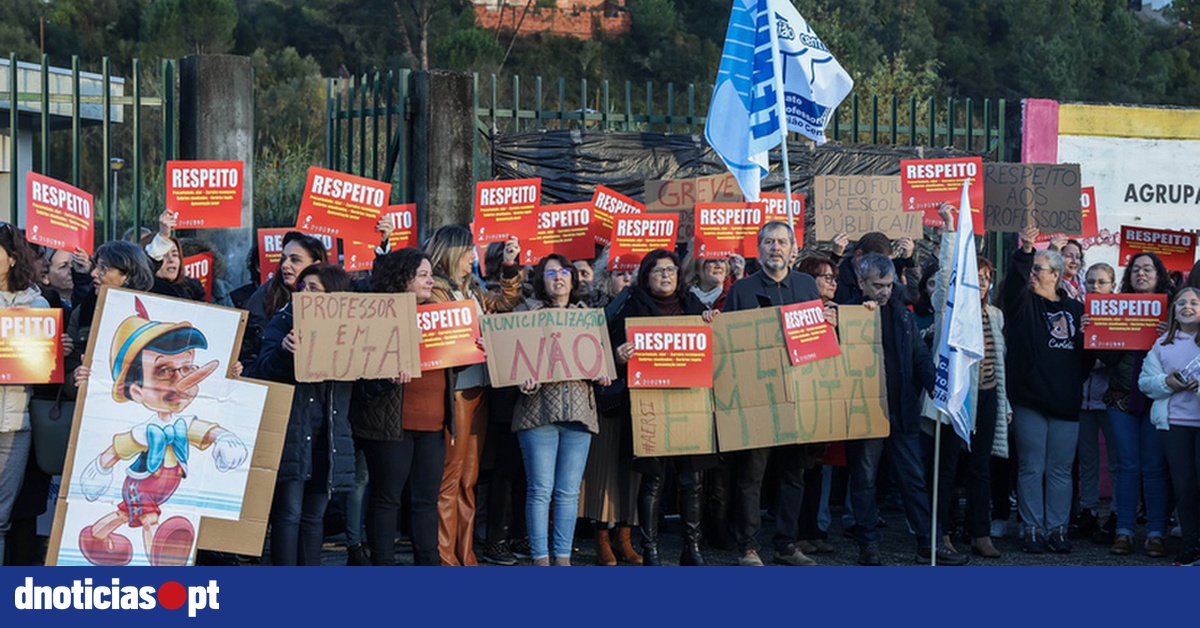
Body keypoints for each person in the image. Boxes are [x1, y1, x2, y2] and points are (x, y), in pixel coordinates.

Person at [842, 252, 962, 565]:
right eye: (877, 285)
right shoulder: (849, 313)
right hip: (865, 411)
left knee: (913, 479)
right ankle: (868, 543)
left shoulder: (902, 314)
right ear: (861, 283)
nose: (884, 291)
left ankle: (929, 544)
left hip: (901, 407)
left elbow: (919, 358)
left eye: (888, 284)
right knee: (865, 479)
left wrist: (938, 387)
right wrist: (853, 314)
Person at [721, 221, 822, 567]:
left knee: (794, 473)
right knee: (752, 475)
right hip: (756, 396)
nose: (774, 248)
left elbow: (820, 335)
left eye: (781, 242)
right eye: (768, 242)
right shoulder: (742, 291)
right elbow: (727, 347)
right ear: (758, 248)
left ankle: (786, 543)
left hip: (798, 393)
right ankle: (747, 546)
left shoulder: (808, 286)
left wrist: (843, 319)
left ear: (793, 249)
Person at [424, 225, 523, 566]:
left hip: (479, 389)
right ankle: (444, 556)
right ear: (452, 253)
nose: (473, 257)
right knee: (450, 478)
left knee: (470, 477)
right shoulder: (434, 292)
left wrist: (510, 266)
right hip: (456, 392)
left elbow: (505, 302)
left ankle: (466, 554)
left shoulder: (473, 289)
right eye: (468, 251)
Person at [609, 249, 714, 566]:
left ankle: (691, 548)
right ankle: (651, 548)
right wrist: (619, 354)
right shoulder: (630, 307)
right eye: (658, 271)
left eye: (671, 270)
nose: (666, 276)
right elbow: (608, 350)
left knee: (691, 481)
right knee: (653, 480)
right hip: (649, 405)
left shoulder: (694, 306)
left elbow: (713, 348)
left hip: (689, 402)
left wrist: (711, 323)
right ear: (645, 276)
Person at [351, 248, 452, 566]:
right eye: (423, 274)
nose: (431, 280)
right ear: (403, 278)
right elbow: (360, 376)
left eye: (430, 273)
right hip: (391, 425)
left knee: (425, 501)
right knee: (387, 498)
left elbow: (447, 364)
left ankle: (428, 564)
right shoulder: (376, 315)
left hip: (434, 426)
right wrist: (388, 375)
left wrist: (468, 351)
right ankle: (384, 566)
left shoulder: (438, 313)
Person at [253, 263, 357, 566]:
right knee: (288, 513)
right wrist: (284, 353)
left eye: (314, 289)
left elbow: (363, 383)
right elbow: (262, 370)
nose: (305, 294)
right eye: (303, 288)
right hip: (293, 435)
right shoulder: (283, 322)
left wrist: (389, 377)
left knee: (314, 517)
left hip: (329, 437)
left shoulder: (349, 329)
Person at [512, 254, 610, 566]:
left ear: (573, 278)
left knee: (568, 493)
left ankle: (563, 559)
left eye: (564, 271)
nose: (559, 277)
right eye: (551, 272)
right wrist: (520, 381)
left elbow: (600, 363)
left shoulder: (590, 316)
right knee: (541, 490)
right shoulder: (524, 314)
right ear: (541, 279)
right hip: (537, 413)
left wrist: (604, 371)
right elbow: (511, 360)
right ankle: (541, 559)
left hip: (579, 412)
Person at [928, 205, 1012, 559]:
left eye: (985, 278)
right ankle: (941, 534)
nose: (980, 283)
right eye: (973, 277)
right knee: (946, 468)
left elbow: (1000, 363)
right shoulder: (946, 309)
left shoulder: (995, 314)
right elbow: (946, 271)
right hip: (955, 397)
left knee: (981, 468)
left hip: (988, 396)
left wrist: (1004, 404)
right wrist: (950, 231)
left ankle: (980, 533)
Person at [1003, 224, 1087, 554]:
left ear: (1057, 274)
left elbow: (1089, 358)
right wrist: (1026, 249)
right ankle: (1032, 528)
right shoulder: (1022, 305)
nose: (1034, 274)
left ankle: (1057, 529)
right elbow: (1013, 282)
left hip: (1065, 401)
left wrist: (1087, 336)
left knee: (1060, 470)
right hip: (1030, 400)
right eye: (1033, 268)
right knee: (1031, 466)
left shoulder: (1077, 310)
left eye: (1040, 269)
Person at [1100, 251, 1173, 557]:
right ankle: (1124, 531)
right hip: (1122, 399)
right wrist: (1100, 330)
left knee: (1155, 468)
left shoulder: (1175, 311)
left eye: (1148, 269)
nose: (1141, 274)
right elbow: (1107, 357)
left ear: (1159, 275)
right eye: (1136, 270)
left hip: (1159, 400)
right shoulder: (1115, 308)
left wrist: (1171, 335)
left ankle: (1156, 532)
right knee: (1127, 467)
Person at [581, 247, 641, 566]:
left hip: (641, 398)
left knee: (631, 473)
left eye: (632, 273)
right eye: (620, 273)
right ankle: (602, 537)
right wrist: (613, 358)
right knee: (604, 471)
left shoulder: (647, 305)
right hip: (606, 400)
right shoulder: (596, 306)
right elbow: (586, 348)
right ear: (607, 276)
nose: (627, 279)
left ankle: (625, 538)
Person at [0, 224, 51, 564]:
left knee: (0, 518)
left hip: (14, 425)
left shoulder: (37, 306)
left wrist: (54, 350)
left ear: (13, 259)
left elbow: (42, 371)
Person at [1139, 286, 1200, 566]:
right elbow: (1145, 382)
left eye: (1195, 303)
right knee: (1184, 485)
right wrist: (1166, 382)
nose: (1188, 307)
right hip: (1174, 425)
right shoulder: (1162, 344)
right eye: (1182, 303)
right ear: (1173, 310)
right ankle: (1192, 545)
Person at [1074, 263, 1118, 542]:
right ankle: (1088, 511)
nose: (1095, 287)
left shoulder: (1121, 313)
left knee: (1117, 460)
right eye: (1090, 282)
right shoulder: (1079, 312)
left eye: (1101, 282)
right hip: (1083, 399)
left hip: (1110, 398)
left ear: (1112, 285)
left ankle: (1115, 513)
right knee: (1087, 461)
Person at [240, 231, 328, 366]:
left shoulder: (334, 294)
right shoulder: (262, 299)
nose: (285, 265)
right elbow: (250, 355)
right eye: (283, 259)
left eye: (295, 259)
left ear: (316, 264)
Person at [142, 210, 205, 301]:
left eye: (175, 254)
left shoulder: (194, 290)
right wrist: (163, 236)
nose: (171, 259)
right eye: (163, 255)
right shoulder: (141, 290)